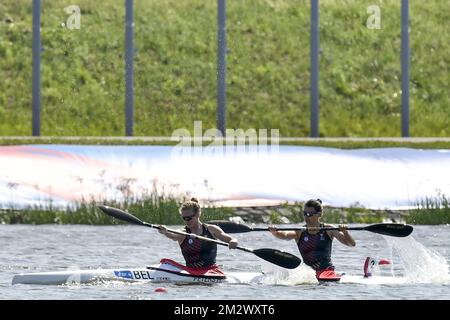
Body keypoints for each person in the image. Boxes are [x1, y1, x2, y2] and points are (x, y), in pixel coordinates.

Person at [269, 199, 355, 280]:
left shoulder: (329, 229)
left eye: (310, 214)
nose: (306, 217)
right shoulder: (299, 231)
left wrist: (345, 232)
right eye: (305, 213)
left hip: (326, 271)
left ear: (319, 214)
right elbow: (285, 235)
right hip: (307, 273)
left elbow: (351, 244)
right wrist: (275, 232)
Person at [158, 198, 238, 274]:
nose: (186, 221)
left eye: (189, 218)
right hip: (190, 271)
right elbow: (173, 235)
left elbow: (229, 238)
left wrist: (233, 241)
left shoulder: (211, 229)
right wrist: (165, 232)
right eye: (184, 218)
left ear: (197, 215)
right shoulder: (183, 233)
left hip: (211, 271)